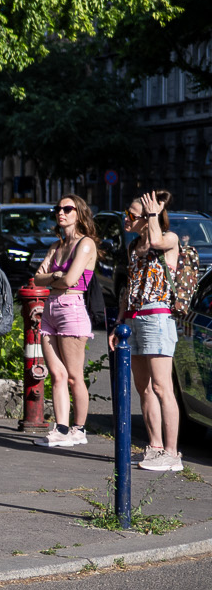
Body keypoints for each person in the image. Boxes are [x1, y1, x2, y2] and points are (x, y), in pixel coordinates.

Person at [120, 190, 183, 471]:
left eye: (131, 215)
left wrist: (155, 213)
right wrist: (119, 322)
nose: (126, 218)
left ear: (147, 218)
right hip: (134, 319)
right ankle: (155, 447)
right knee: (144, 388)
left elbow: (156, 240)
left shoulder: (168, 239)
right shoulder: (134, 246)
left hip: (158, 318)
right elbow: (129, 289)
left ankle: (172, 453)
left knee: (161, 386)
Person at [33, 194, 99, 449]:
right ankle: (61, 428)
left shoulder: (85, 244)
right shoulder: (56, 247)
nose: (61, 213)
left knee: (73, 376)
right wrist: (55, 276)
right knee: (57, 374)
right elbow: (36, 278)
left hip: (72, 307)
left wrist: (53, 276)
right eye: (58, 209)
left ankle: (79, 429)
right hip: (50, 308)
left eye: (67, 209)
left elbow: (70, 281)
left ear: (79, 213)